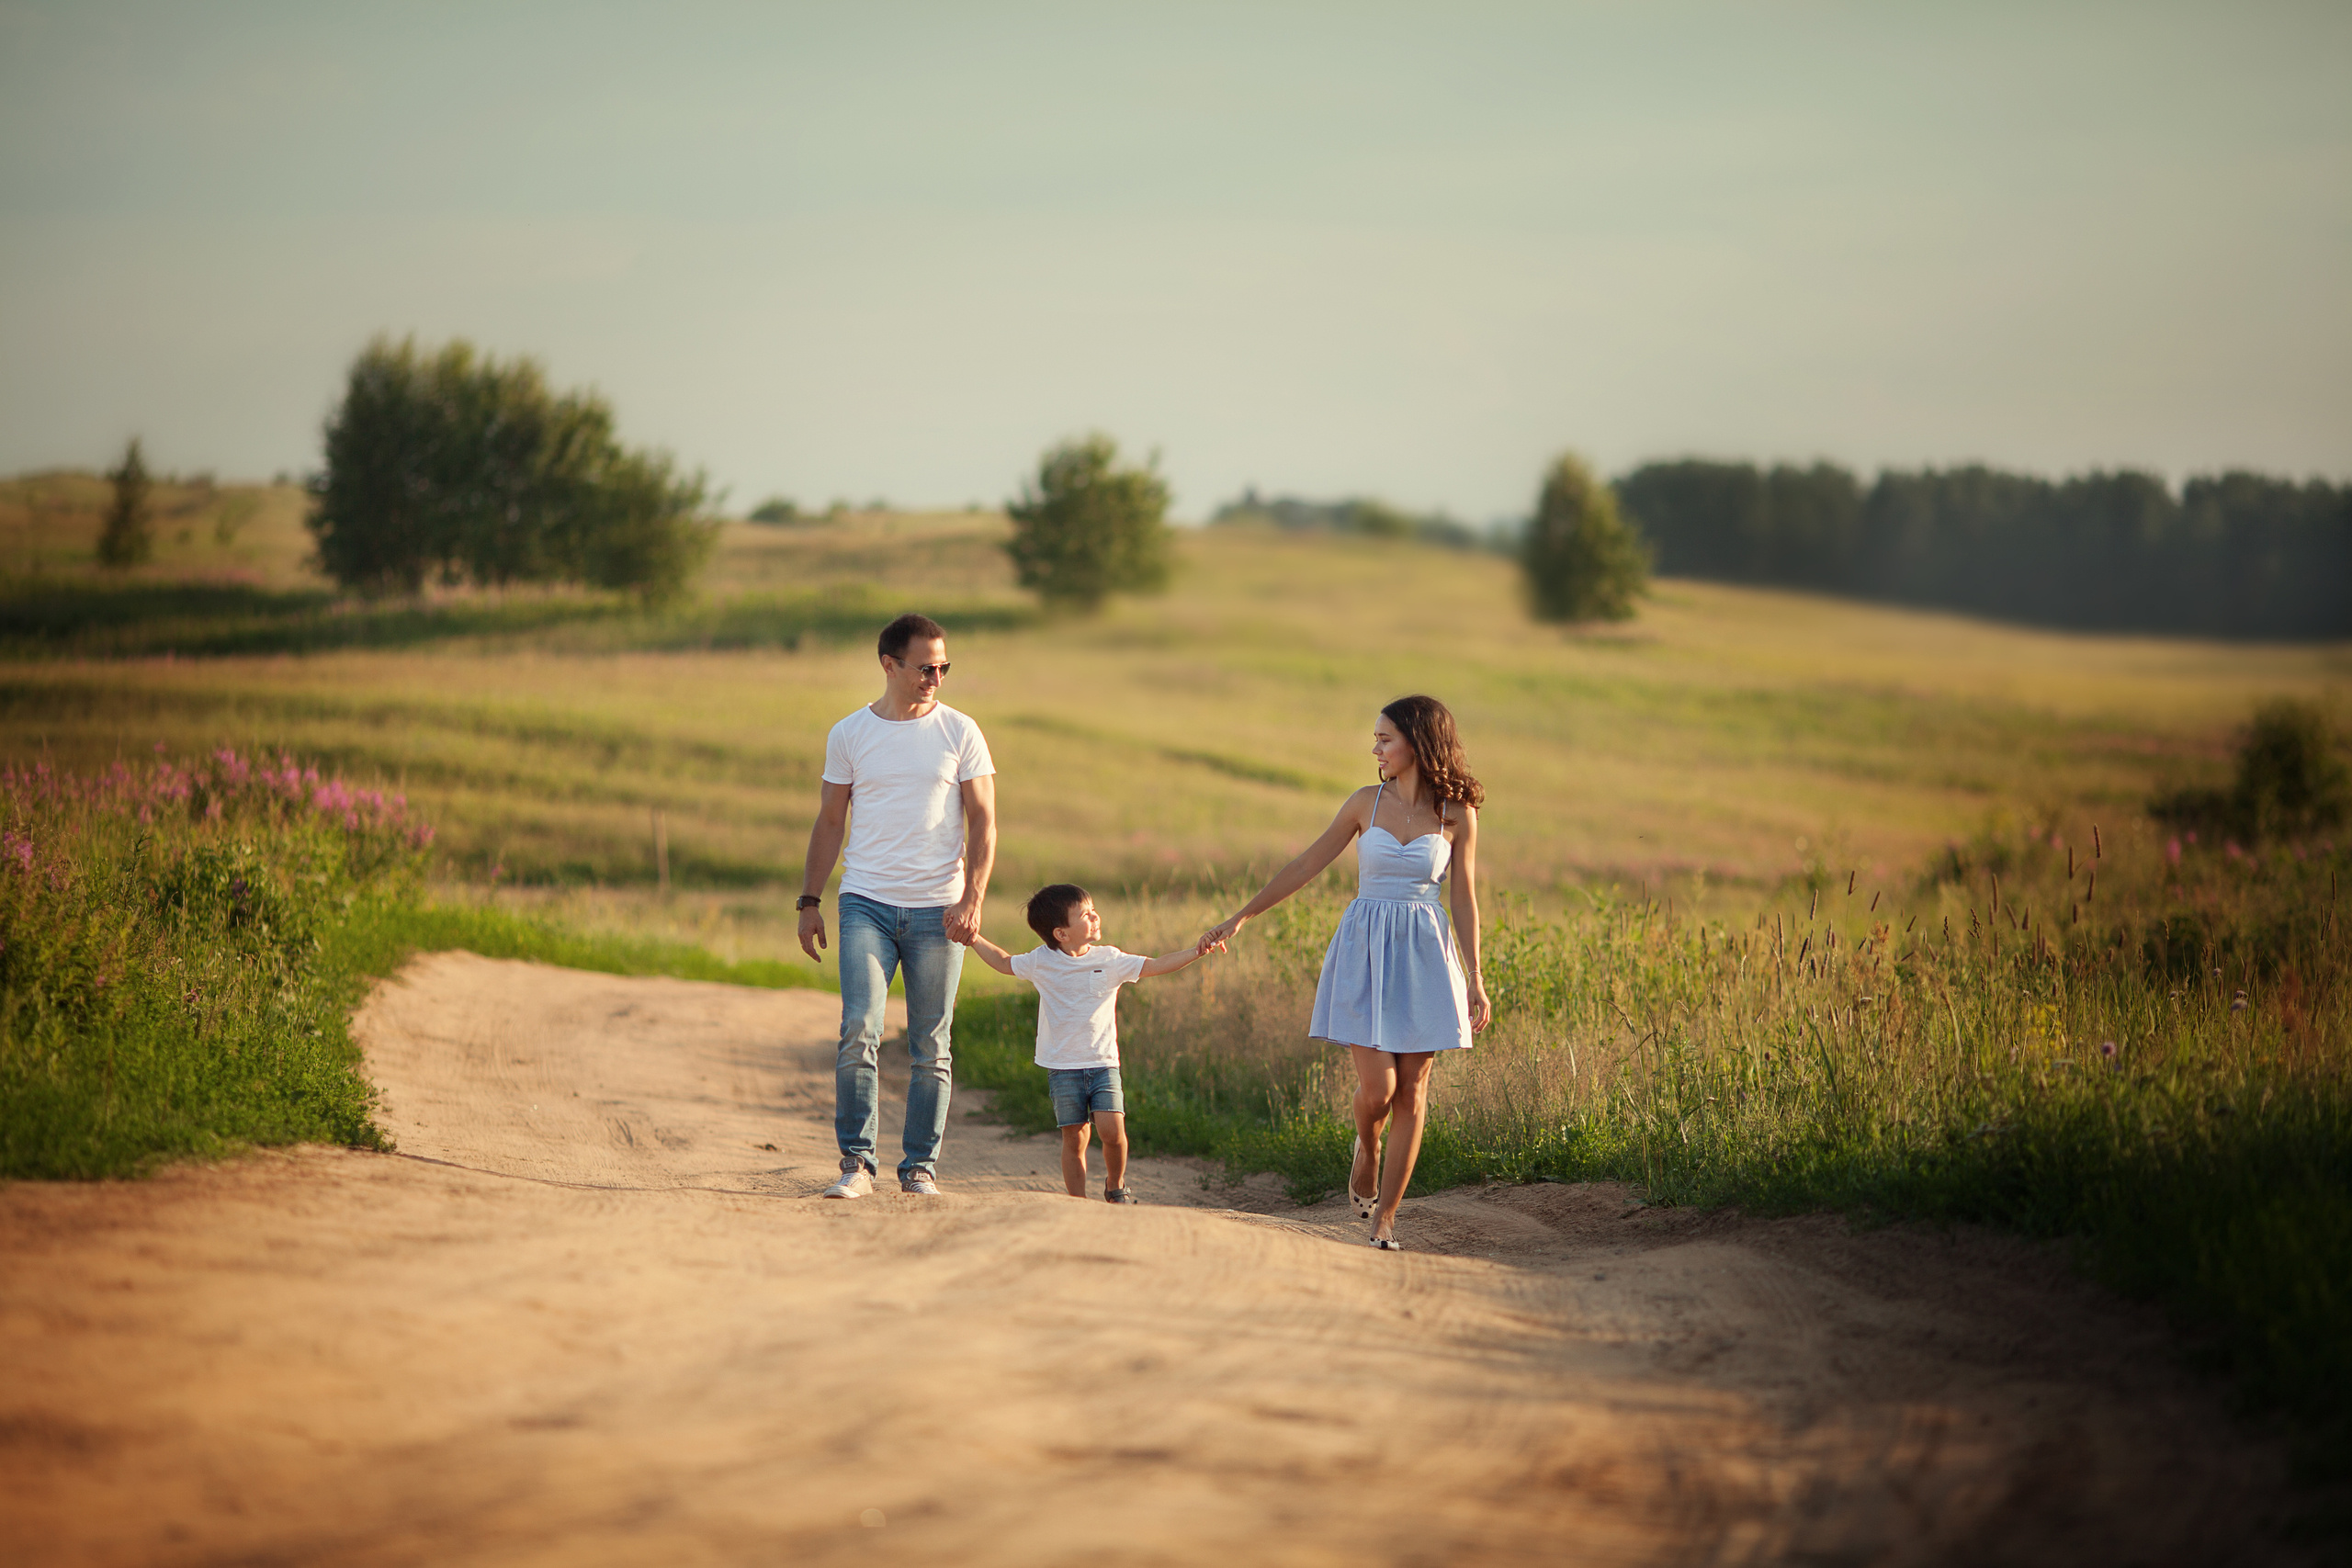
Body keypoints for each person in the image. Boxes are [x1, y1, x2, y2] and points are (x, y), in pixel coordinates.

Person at [1198, 695, 1488, 1249]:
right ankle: (1368, 1147)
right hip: (1366, 947)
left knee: (1414, 1092)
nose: (1375, 748)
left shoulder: (1457, 813)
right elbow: (1306, 864)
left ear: (1418, 743)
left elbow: (1466, 896)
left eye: (1385, 738)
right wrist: (1241, 917)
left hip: (1427, 953)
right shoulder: (1365, 804)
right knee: (1378, 1090)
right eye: (1375, 738)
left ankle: (1385, 1220)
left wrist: (1475, 975)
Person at [797, 614, 996, 1199]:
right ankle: (856, 1164)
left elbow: (984, 825)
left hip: (940, 911)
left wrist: (973, 898)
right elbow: (831, 822)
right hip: (866, 903)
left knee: (931, 1042)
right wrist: (809, 900)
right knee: (859, 1027)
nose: (936, 676)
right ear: (889, 664)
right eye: (925, 666)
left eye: (944, 666)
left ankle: (919, 1169)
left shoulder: (961, 732)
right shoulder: (850, 733)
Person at [963, 884, 1217, 1202]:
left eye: (1094, 909)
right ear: (1061, 933)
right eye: (1085, 914)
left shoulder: (1110, 958)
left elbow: (1155, 965)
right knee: (1074, 1138)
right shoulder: (1041, 961)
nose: (1095, 916)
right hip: (1062, 1066)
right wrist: (973, 938)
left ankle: (1116, 1184)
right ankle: (1077, 1203)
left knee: (1113, 1131)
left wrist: (1197, 951)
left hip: (1102, 1063)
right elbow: (1003, 961)